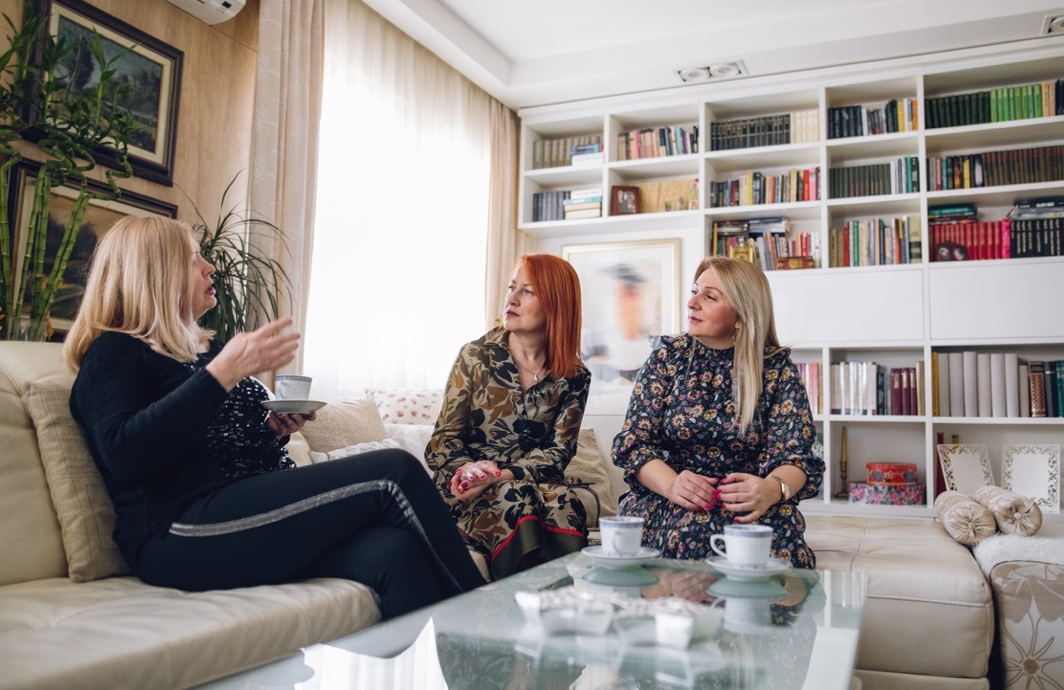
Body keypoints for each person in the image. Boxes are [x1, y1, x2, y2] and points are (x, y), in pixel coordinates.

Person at [65, 214, 484, 619]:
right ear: (155, 274)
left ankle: (444, 685)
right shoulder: (115, 352)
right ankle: (492, 622)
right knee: (394, 471)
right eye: (194, 259)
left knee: (395, 551)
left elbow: (213, 442)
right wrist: (222, 373)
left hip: (241, 511)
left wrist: (271, 431)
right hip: (176, 529)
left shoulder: (206, 351)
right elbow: (125, 453)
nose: (209, 266)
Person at [611, 255, 824, 566]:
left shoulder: (776, 370)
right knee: (689, 531)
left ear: (741, 315)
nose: (691, 303)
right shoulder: (667, 358)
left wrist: (769, 490)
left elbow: (798, 458)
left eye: (709, 297)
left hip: (748, 506)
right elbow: (633, 444)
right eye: (695, 290)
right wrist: (672, 484)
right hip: (668, 497)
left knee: (775, 541)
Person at [425, 253, 591, 579]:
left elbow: (557, 454)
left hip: (530, 485)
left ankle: (567, 610)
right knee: (518, 498)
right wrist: (472, 471)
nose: (511, 299)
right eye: (512, 287)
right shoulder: (475, 356)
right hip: (467, 490)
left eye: (527, 291)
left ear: (557, 304)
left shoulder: (575, 376)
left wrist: (502, 474)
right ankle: (514, 614)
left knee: (566, 503)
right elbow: (443, 440)